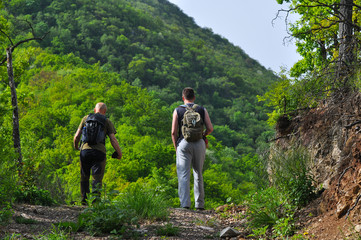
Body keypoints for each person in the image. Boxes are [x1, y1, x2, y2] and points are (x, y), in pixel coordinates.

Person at [171, 87, 213, 210]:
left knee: (183, 174)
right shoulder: (201, 109)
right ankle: (199, 204)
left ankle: (185, 205)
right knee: (198, 173)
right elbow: (210, 128)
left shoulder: (178, 110)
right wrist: (202, 135)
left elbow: (174, 132)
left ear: (183, 98)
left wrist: (176, 147)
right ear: (194, 97)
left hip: (184, 143)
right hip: (199, 143)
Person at [73, 102, 122, 205]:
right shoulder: (106, 121)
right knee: (97, 178)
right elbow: (113, 139)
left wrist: (76, 146)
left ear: (95, 110)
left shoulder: (86, 118)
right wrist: (119, 153)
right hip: (99, 152)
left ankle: (84, 201)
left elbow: (77, 136)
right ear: (104, 112)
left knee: (84, 176)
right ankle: (96, 203)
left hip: (84, 151)